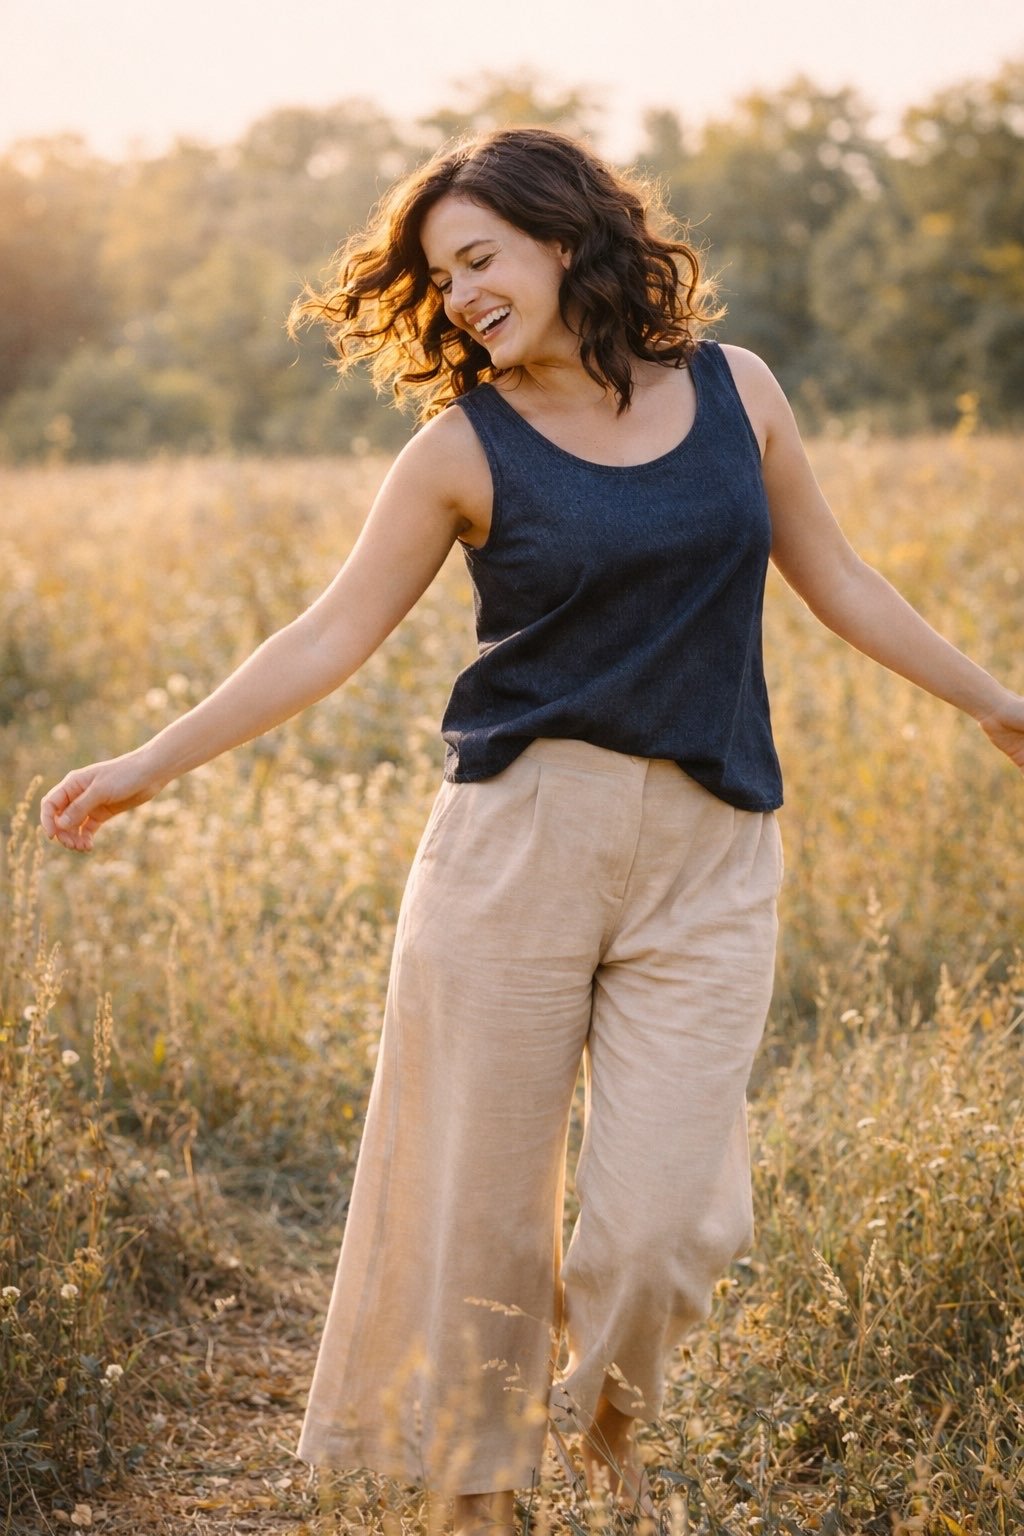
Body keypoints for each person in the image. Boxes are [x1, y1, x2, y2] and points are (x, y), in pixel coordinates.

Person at [41, 127, 1024, 1535]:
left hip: (713, 848)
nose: (459, 297)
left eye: (480, 260)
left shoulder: (739, 393)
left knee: (665, 1230)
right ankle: (477, 1496)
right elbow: (327, 633)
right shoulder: (460, 450)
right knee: (483, 1216)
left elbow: (838, 576)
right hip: (517, 847)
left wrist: (994, 701)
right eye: (439, 278)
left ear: (566, 237)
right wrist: (151, 760)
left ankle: (607, 1432)